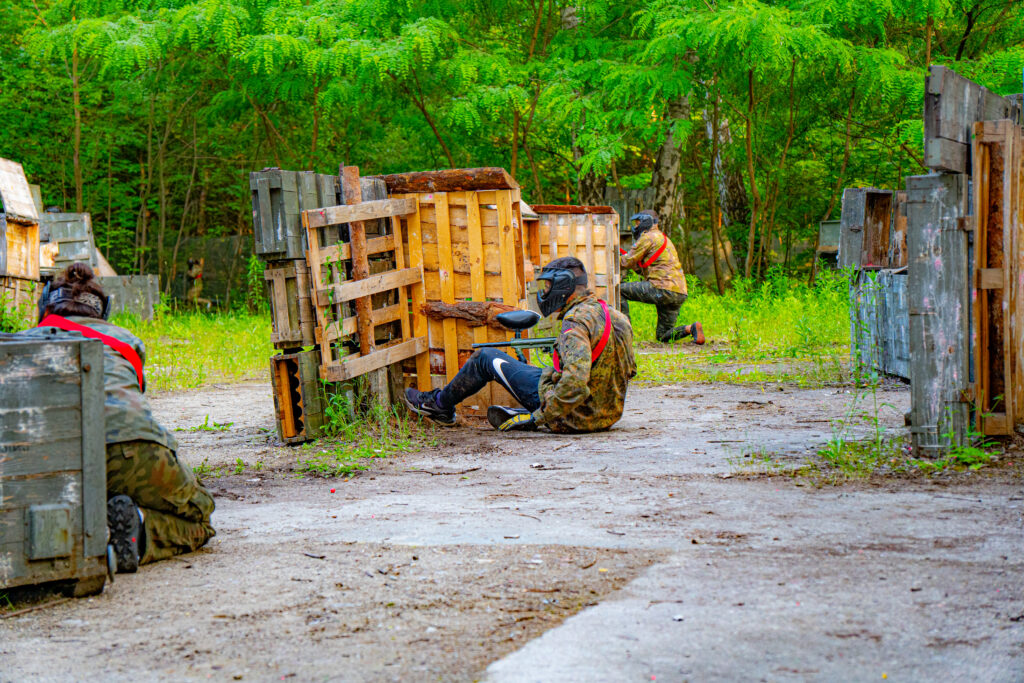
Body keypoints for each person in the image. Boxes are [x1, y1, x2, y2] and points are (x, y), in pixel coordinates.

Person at [19, 263, 215, 572]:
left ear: (46, 304)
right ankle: (137, 529)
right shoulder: (125, 341)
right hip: (133, 451)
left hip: (55, 464)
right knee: (201, 515)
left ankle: (93, 526)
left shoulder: (22, 343)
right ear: (103, 310)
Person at [404, 256, 636, 433]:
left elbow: (575, 382)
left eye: (547, 286)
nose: (544, 292)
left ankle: (439, 406)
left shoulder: (574, 322)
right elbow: (629, 370)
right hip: (606, 415)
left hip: (573, 418)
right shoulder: (615, 316)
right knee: (540, 372)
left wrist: (540, 417)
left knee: (485, 358)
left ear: (563, 285)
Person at [619, 209, 704, 344]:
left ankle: (625, 333)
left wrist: (611, 254)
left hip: (661, 288)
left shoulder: (648, 237)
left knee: (619, 291)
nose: (635, 227)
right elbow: (642, 268)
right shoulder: (662, 238)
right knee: (663, 335)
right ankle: (691, 329)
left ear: (646, 221)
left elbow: (625, 262)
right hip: (678, 292)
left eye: (637, 223)